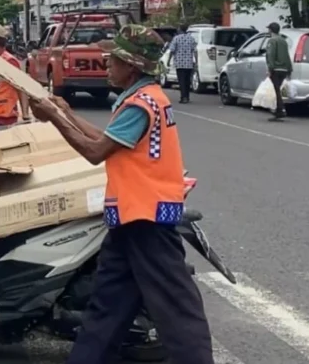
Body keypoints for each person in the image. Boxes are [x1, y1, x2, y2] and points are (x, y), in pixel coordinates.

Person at [28, 25, 213, 364]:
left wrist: (54, 117)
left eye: (112, 59)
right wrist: (67, 113)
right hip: (130, 217)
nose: (106, 63)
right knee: (108, 305)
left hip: (146, 217)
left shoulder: (140, 104)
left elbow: (95, 151)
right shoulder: (142, 98)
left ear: (131, 66)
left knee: (176, 307)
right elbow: (108, 140)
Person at [265, 22, 291, 122]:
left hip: (276, 69)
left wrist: (270, 69)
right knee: (278, 90)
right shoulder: (283, 41)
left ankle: (281, 110)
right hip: (284, 69)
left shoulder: (272, 41)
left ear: (271, 30)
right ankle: (278, 110)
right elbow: (287, 55)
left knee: (276, 91)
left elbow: (271, 55)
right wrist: (289, 68)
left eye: (269, 29)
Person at [169, 24, 198, 104]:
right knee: (187, 80)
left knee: (181, 81)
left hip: (179, 63)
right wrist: (196, 61)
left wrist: (169, 60)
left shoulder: (176, 38)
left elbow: (172, 50)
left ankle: (183, 97)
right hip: (189, 63)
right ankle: (187, 97)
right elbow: (194, 51)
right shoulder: (191, 38)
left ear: (180, 29)